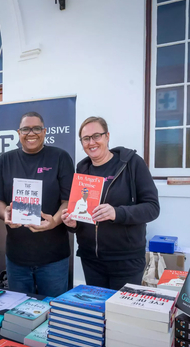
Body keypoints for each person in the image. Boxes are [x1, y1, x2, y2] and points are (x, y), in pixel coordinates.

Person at [61, 116, 160, 290]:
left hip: (126, 260)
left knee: (121, 315)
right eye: (86, 138)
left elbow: (152, 208)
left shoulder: (131, 164)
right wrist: (73, 223)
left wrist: (117, 213)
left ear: (107, 136)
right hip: (91, 259)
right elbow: (83, 214)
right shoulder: (82, 169)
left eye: (96, 136)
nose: (91, 142)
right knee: (98, 313)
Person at [0, 112, 74, 297]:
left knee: (53, 312)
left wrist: (53, 221)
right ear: (18, 132)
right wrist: (4, 214)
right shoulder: (4, 161)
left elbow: (68, 201)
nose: (31, 133)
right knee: (18, 312)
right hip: (17, 257)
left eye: (36, 128)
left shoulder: (60, 157)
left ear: (44, 131)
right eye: (25, 129)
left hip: (54, 258)